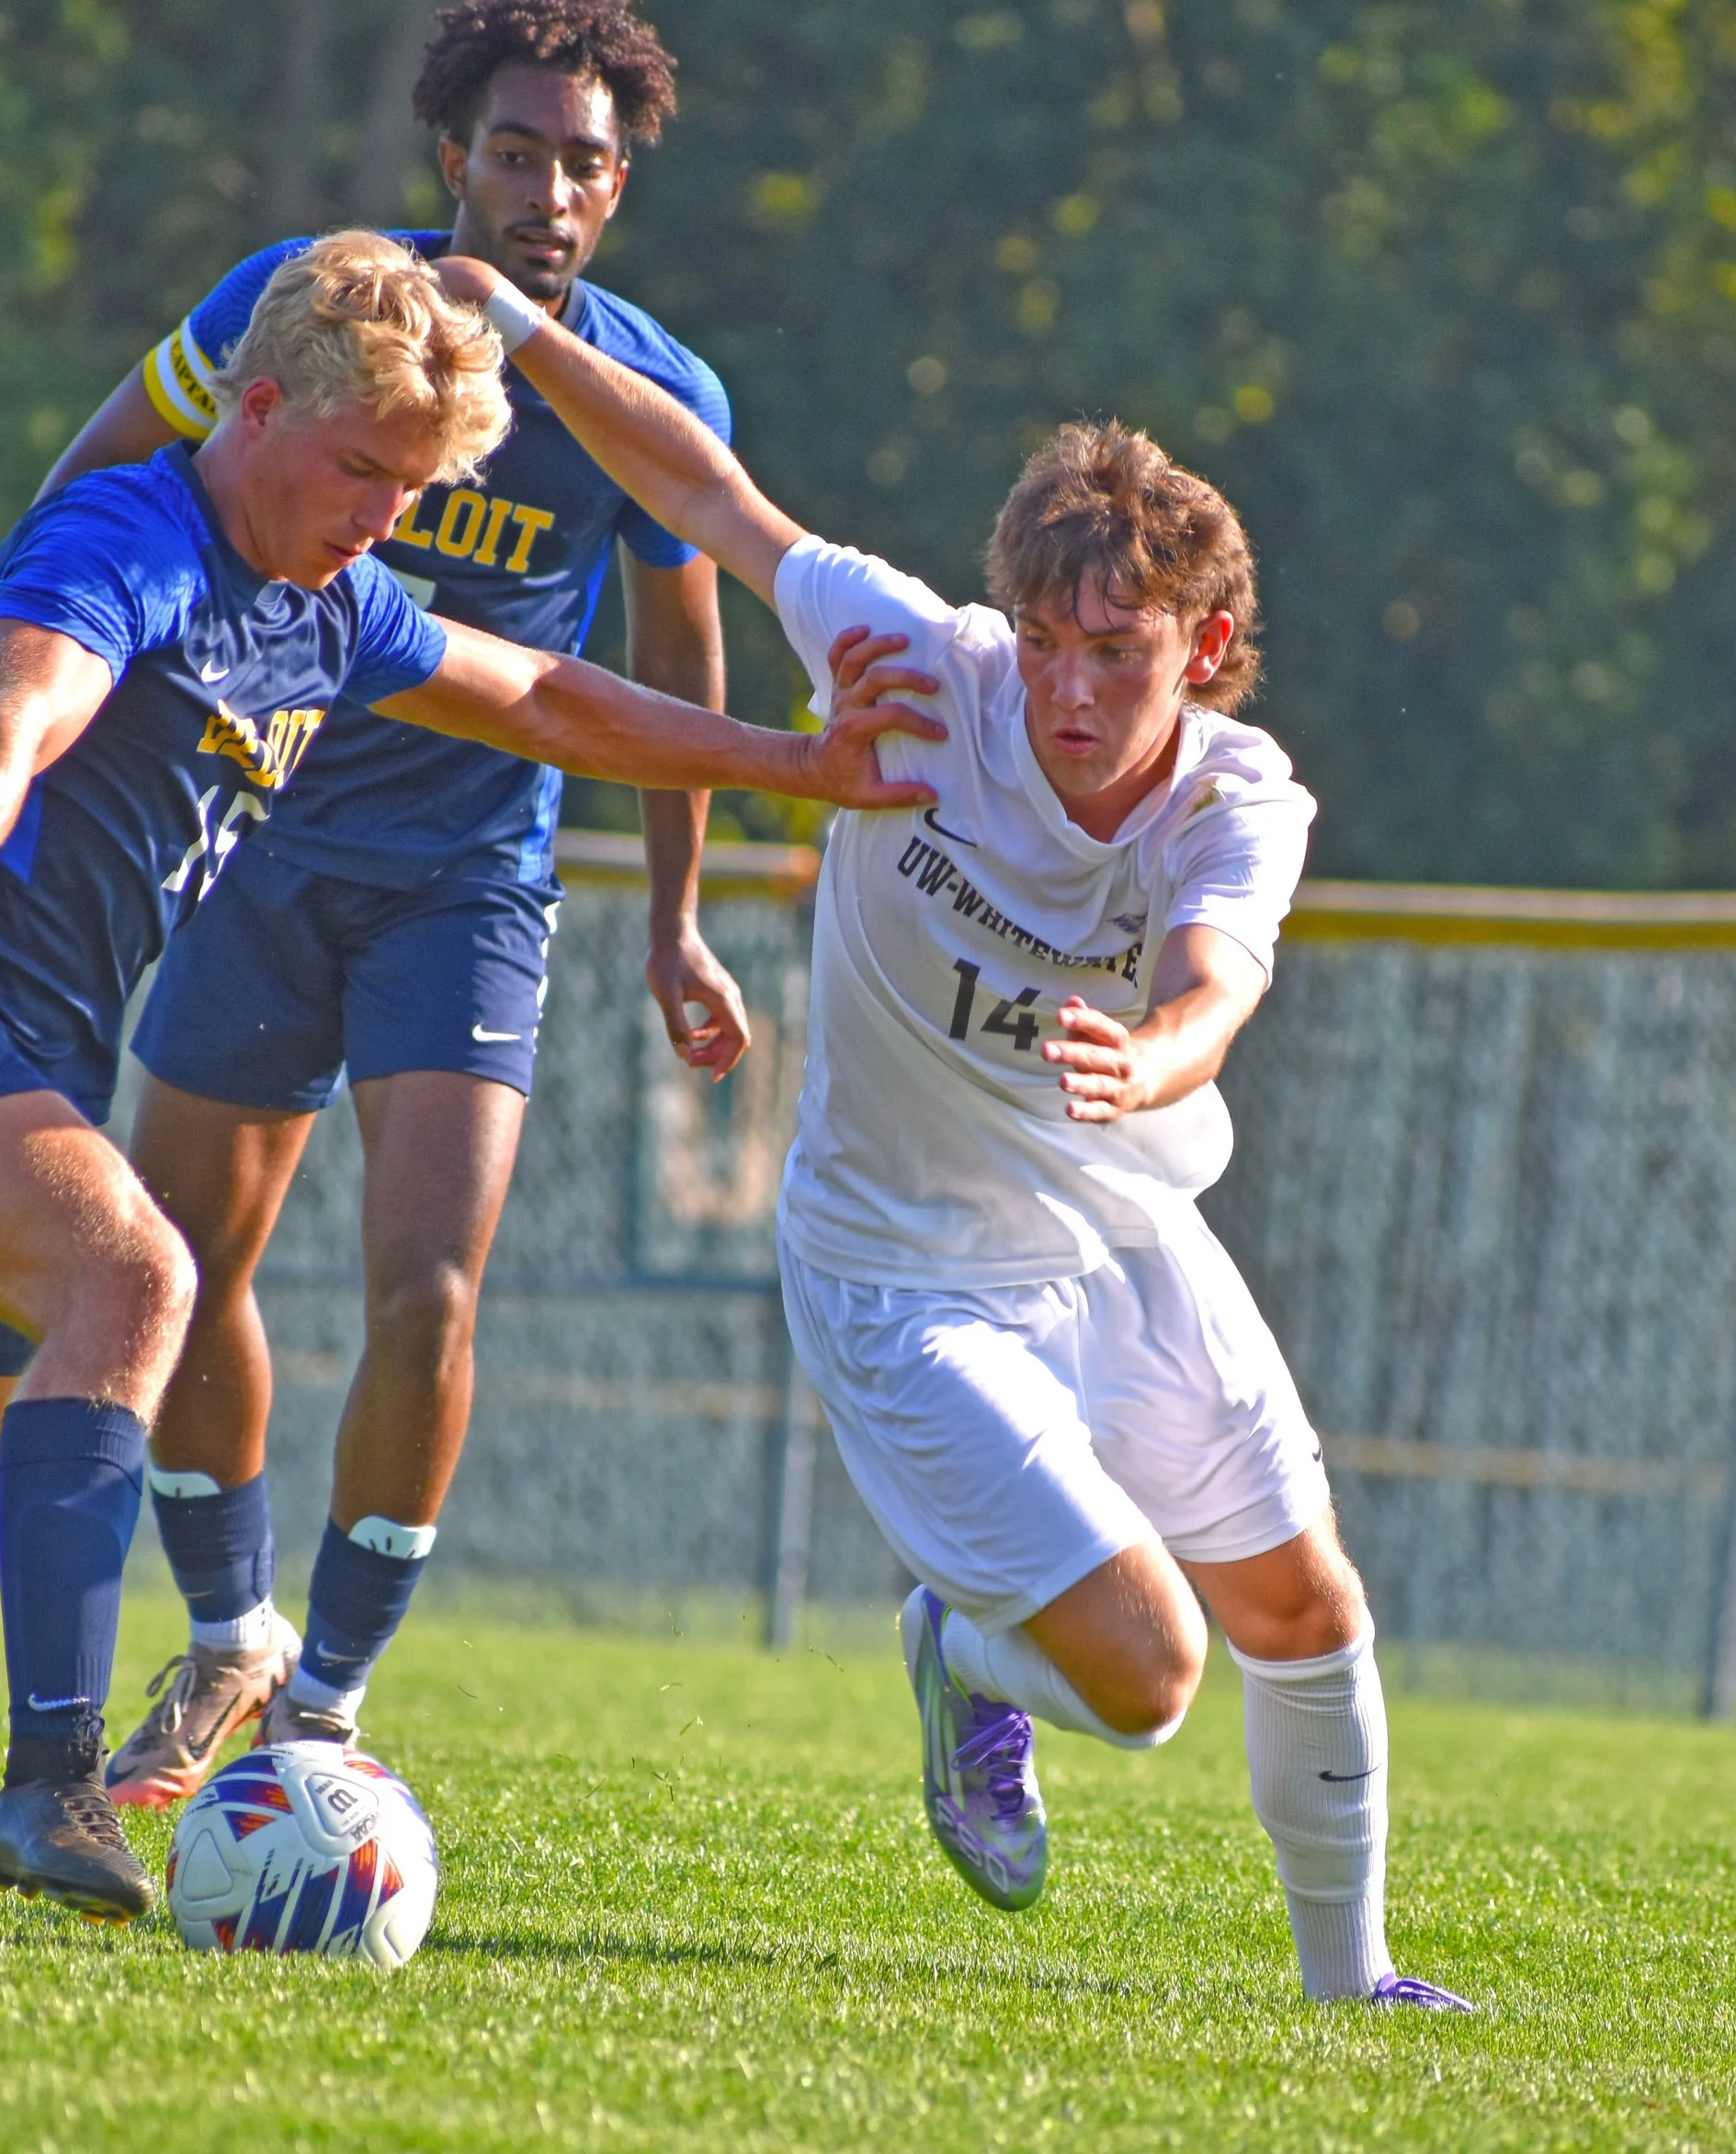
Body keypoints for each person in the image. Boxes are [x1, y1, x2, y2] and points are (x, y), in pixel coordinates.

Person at [0, 232, 936, 1924]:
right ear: (254, 407)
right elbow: (6, 726)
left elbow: (548, 693)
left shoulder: (331, 605)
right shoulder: (127, 538)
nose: (382, 515)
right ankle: (53, 1790)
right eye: (359, 470)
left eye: (412, 488)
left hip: (11, 1076)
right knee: (140, 1273)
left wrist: (803, 765)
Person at [437, 256, 1470, 2007]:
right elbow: (704, 491)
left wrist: (1150, 1060)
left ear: (1203, 650)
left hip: (1121, 1230)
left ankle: (1351, 1986)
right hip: (902, 1266)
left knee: (1304, 1605)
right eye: (1049, 641)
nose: (1067, 688)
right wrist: (532, 337)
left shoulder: (1239, 795)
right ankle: (967, 1658)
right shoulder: (920, 670)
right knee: (1149, 1675)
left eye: (1118, 652)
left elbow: (1219, 987)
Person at [24, 0, 751, 1786]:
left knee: (428, 1283)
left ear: (620, 184)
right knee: (184, 1266)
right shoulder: (300, 309)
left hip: (468, 886)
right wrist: (62, 685)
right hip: (250, 847)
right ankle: (226, 1642)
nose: (549, 190)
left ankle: (331, 1707)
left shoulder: (644, 394)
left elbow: (680, 664)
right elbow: (96, 472)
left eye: (586, 162)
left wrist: (672, 918)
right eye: (517, 150)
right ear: (453, 158)